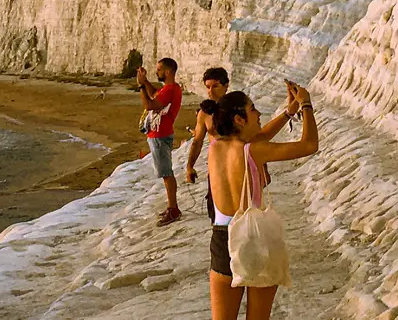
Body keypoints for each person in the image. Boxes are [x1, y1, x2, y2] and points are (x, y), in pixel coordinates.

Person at [204, 84, 318, 320]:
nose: (258, 114)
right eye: (252, 109)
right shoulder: (254, 151)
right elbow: (309, 145)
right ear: (239, 119)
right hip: (251, 238)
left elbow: (262, 134)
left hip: (221, 238)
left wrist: (289, 111)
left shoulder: (214, 146)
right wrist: (306, 105)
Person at [186, 67, 300, 222]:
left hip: (242, 165)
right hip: (219, 170)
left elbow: (260, 137)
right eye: (207, 87)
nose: (210, 91)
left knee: (244, 217)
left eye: (215, 86)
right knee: (224, 219)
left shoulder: (237, 108)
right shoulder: (205, 114)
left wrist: (289, 112)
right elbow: (198, 141)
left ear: (226, 86)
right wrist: (189, 165)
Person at [136, 57, 183, 226]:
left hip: (160, 135)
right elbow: (155, 95)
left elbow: (150, 104)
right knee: (165, 172)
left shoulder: (170, 90)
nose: (157, 72)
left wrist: (141, 85)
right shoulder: (171, 89)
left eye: (160, 70)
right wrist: (146, 81)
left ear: (168, 71)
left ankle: (173, 209)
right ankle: (172, 207)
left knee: (166, 173)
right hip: (161, 134)